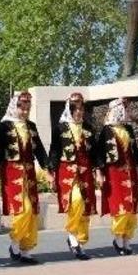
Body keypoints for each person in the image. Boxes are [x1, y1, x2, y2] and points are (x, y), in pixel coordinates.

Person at [0, 92, 48, 265]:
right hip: (11, 173)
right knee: (22, 210)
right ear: (13, 107)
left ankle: (25, 250)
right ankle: (15, 241)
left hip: (29, 173)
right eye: (21, 108)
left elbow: (39, 150)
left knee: (32, 211)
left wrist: (48, 169)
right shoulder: (3, 127)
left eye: (27, 109)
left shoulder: (31, 126)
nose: (24, 112)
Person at [47, 92, 96, 260]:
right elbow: (54, 150)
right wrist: (51, 171)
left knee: (85, 207)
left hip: (85, 171)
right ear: (69, 109)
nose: (79, 112)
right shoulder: (60, 128)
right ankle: (72, 236)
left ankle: (78, 242)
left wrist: (99, 171)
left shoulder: (88, 127)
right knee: (75, 201)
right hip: (67, 171)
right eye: (75, 108)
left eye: (81, 108)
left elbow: (95, 152)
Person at [95, 98, 138, 256]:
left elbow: (134, 152)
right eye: (123, 109)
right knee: (119, 206)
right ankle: (118, 237)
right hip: (114, 173)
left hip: (130, 172)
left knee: (131, 207)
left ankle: (127, 240)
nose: (126, 112)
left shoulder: (128, 129)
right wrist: (99, 173)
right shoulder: (106, 131)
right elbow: (99, 154)